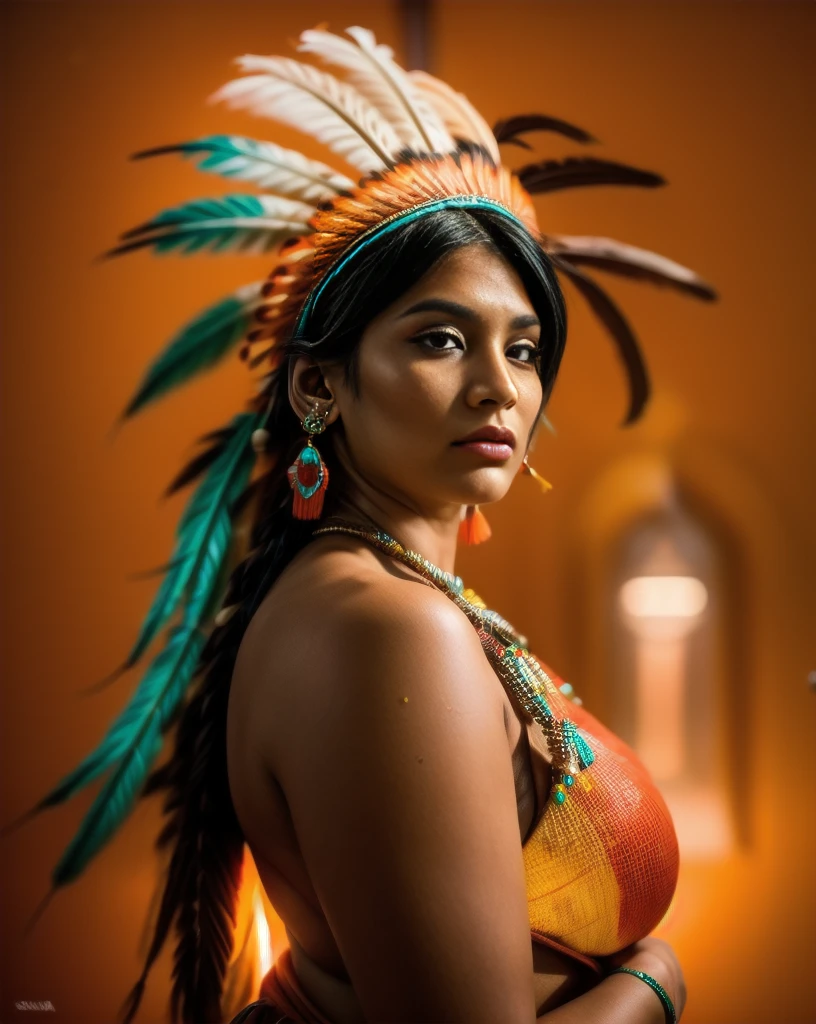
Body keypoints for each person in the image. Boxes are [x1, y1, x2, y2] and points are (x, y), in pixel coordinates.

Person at [4, 23, 715, 1024]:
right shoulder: (386, 629)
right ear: (321, 385)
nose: (498, 389)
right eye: (440, 339)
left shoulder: (380, 599)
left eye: (522, 349)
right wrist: (657, 980)